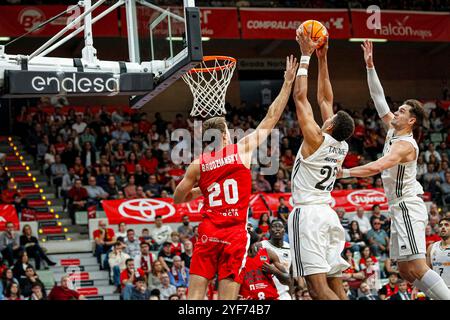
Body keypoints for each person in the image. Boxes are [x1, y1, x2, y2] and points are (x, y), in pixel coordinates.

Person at [173, 56, 298, 300]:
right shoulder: (241, 150)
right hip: (234, 233)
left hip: (209, 230)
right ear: (225, 135)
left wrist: (202, 190)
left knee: (195, 294)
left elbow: (178, 198)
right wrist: (287, 83)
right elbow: (271, 117)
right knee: (227, 297)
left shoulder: (198, 165)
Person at [339, 40, 450, 300]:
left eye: (401, 111)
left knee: (419, 266)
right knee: (403, 268)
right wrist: (370, 66)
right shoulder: (392, 128)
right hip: (397, 207)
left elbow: (377, 167)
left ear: (411, 120)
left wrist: (343, 173)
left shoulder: (404, 145)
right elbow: (378, 98)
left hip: (408, 206)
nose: (395, 112)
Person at [288, 31, 354, 300]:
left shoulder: (315, 140)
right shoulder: (341, 145)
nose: (328, 112)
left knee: (317, 289)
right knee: (335, 284)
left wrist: (305, 56)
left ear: (329, 125)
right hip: (328, 213)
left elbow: (301, 98)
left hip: (309, 216)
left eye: (330, 116)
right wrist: (323, 59)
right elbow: (325, 100)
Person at [239, 231, 290, 300]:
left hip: (271, 297)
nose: (260, 244)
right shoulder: (238, 259)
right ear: (250, 244)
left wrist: (274, 271)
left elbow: (287, 279)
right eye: (258, 242)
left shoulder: (268, 253)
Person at [260, 219, 293, 300]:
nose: (277, 229)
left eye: (280, 227)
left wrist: (291, 295)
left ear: (284, 230)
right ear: (269, 231)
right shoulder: (262, 245)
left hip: (283, 294)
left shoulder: (290, 248)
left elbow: (291, 275)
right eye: (274, 227)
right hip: (265, 292)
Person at [426, 217, 450, 289]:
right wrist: (416, 287)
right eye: (440, 225)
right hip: (437, 290)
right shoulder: (431, 247)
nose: (443, 227)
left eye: (446, 225)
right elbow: (427, 271)